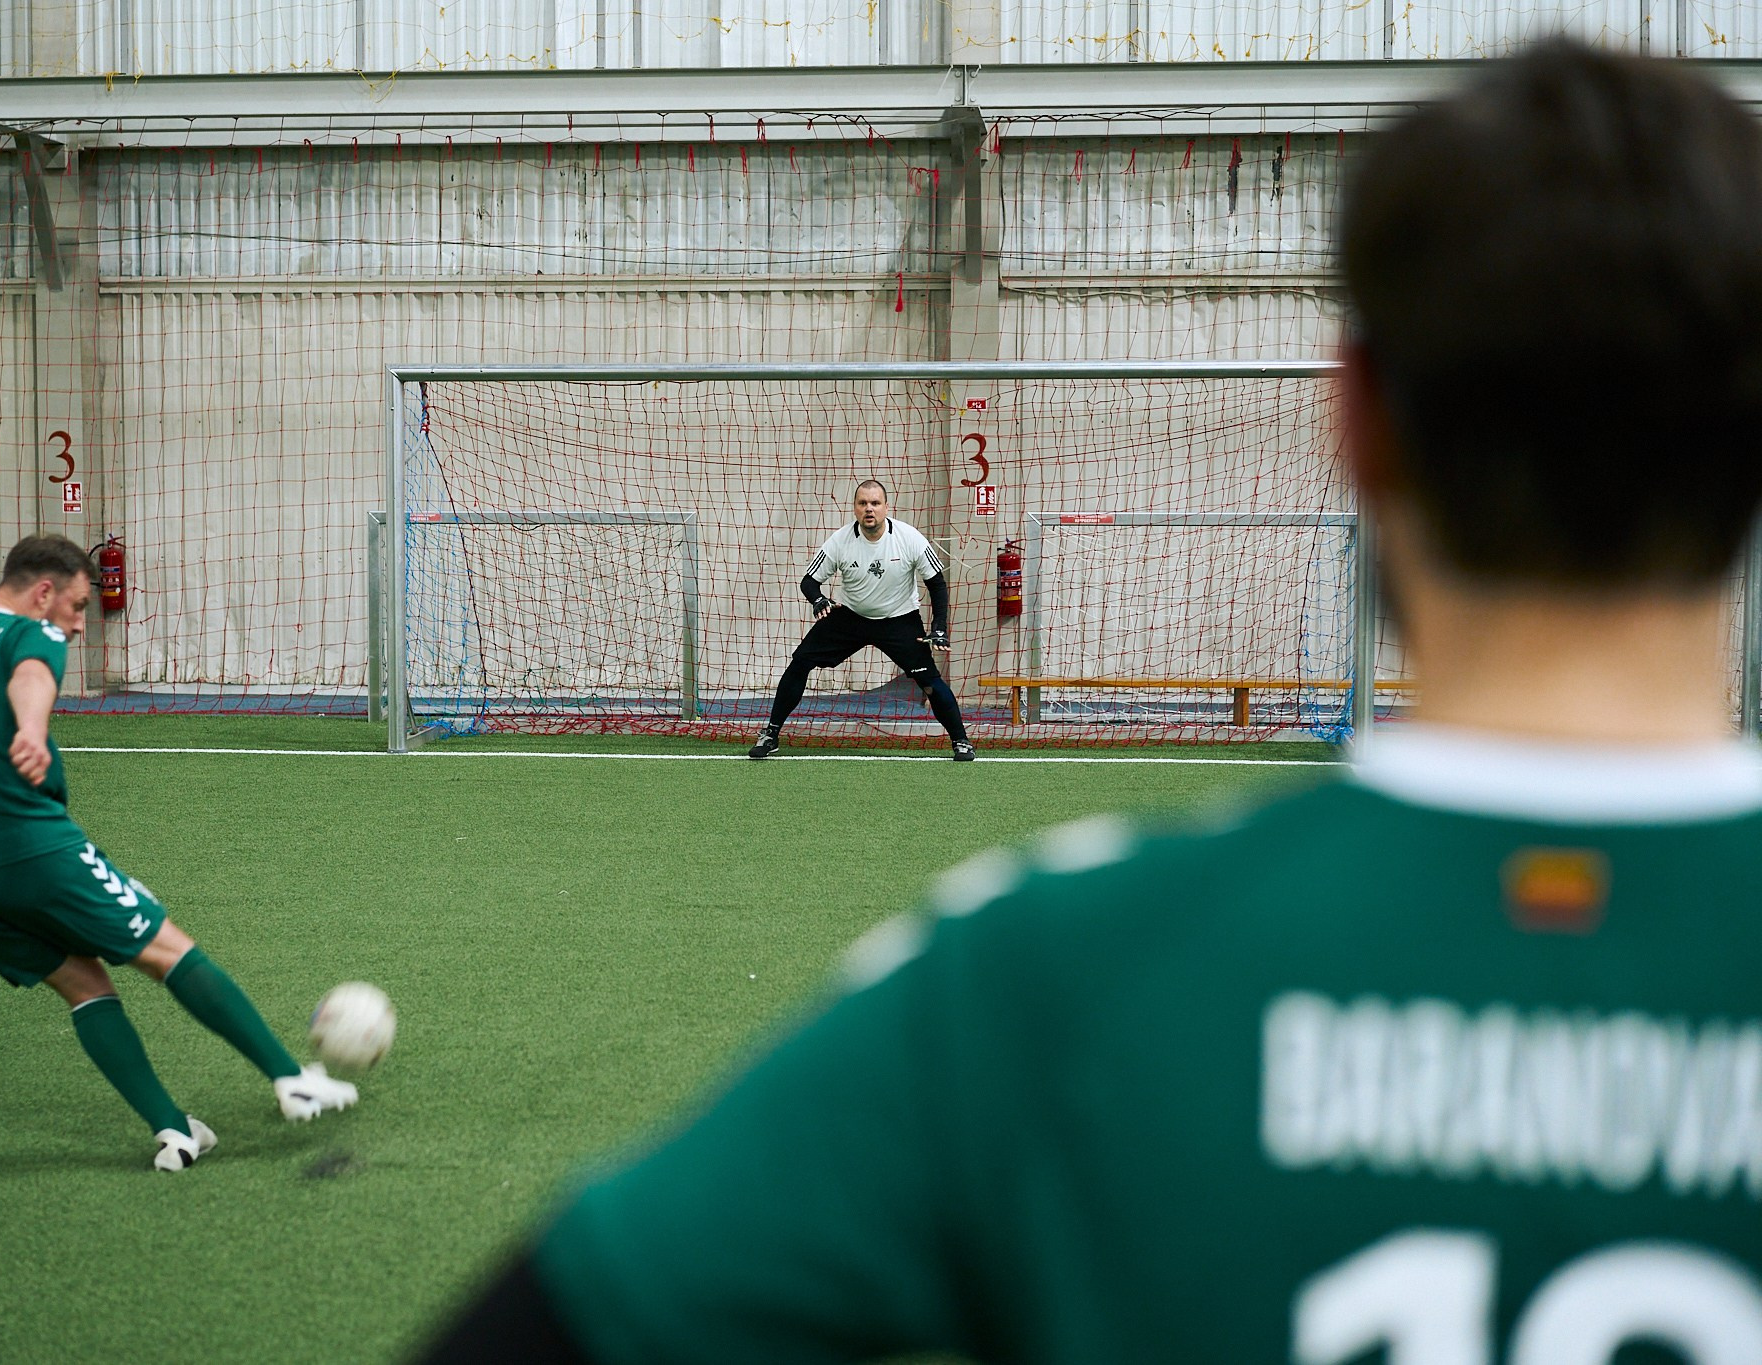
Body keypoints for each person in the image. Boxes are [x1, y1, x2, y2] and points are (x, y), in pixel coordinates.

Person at [414, 41, 1762, 1363]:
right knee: (821, 665)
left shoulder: (1042, 976)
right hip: (860, 633)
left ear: (1353, 420)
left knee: (932, 687)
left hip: (947, 725)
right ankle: (792, 718)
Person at [0, 534, 358, 1172]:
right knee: (167, 949)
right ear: (43, 592)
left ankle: (174, 1130)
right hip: (25, 847)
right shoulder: (33, 635)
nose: (79, 622)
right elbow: (31, 674)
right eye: (78, 606)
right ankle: (292, 1080)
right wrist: (32, 729)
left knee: (83, 984)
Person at [748, 479, 975, 760]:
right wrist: (818, 600)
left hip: (899, 619)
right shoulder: (840, 540)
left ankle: (961, 741)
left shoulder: (909, 537)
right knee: (800, 663)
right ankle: (770, 733)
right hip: (851, 618)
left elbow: (937, 584)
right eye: (863, 503)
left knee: (929, 682)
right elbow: (809, 581)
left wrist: (938, 627)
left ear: (886, 507)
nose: (869, 509)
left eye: (875, 503)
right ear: (855, 508)